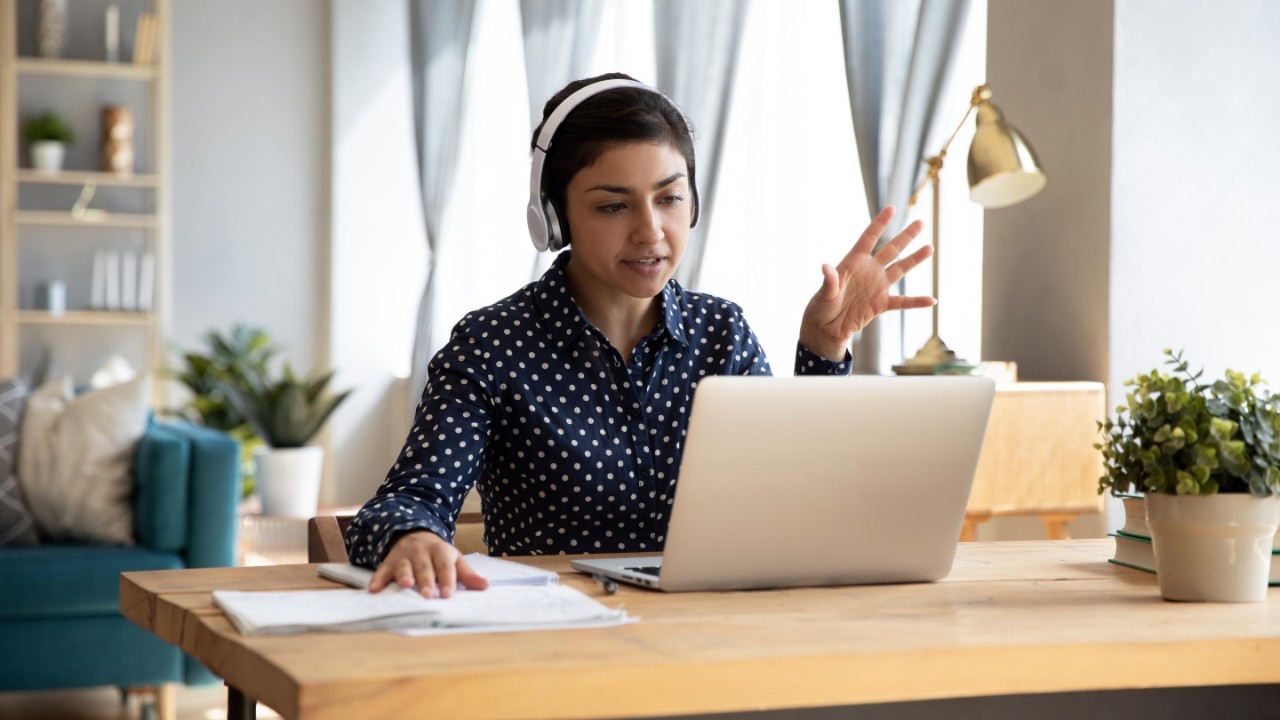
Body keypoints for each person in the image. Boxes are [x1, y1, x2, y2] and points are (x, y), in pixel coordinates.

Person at [345, 72, 934, 597]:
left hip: (710, 637)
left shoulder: (720, 333)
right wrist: (413, 537)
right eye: (612, 207)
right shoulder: (493, 344)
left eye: (670, 197)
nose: (651, 231)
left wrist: (824, 349)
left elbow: (802, 499)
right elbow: (404, 501)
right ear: (554, 216)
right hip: (554, 643)